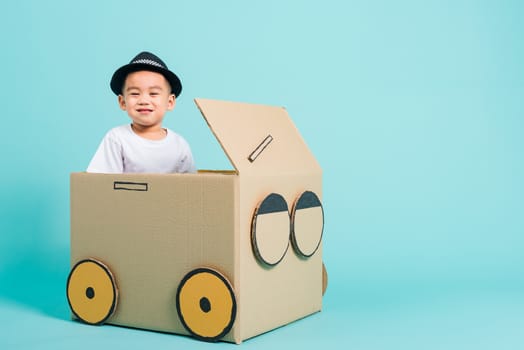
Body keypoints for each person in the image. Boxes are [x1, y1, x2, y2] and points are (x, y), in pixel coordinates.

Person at [87, 51, 196, 173]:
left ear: (170, 102)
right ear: (122, 102)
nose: (144, 100)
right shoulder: (117, 139)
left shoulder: (179, 145)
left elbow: (190, 187)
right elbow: (99, 183)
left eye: (153, 93)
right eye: (135, 93)